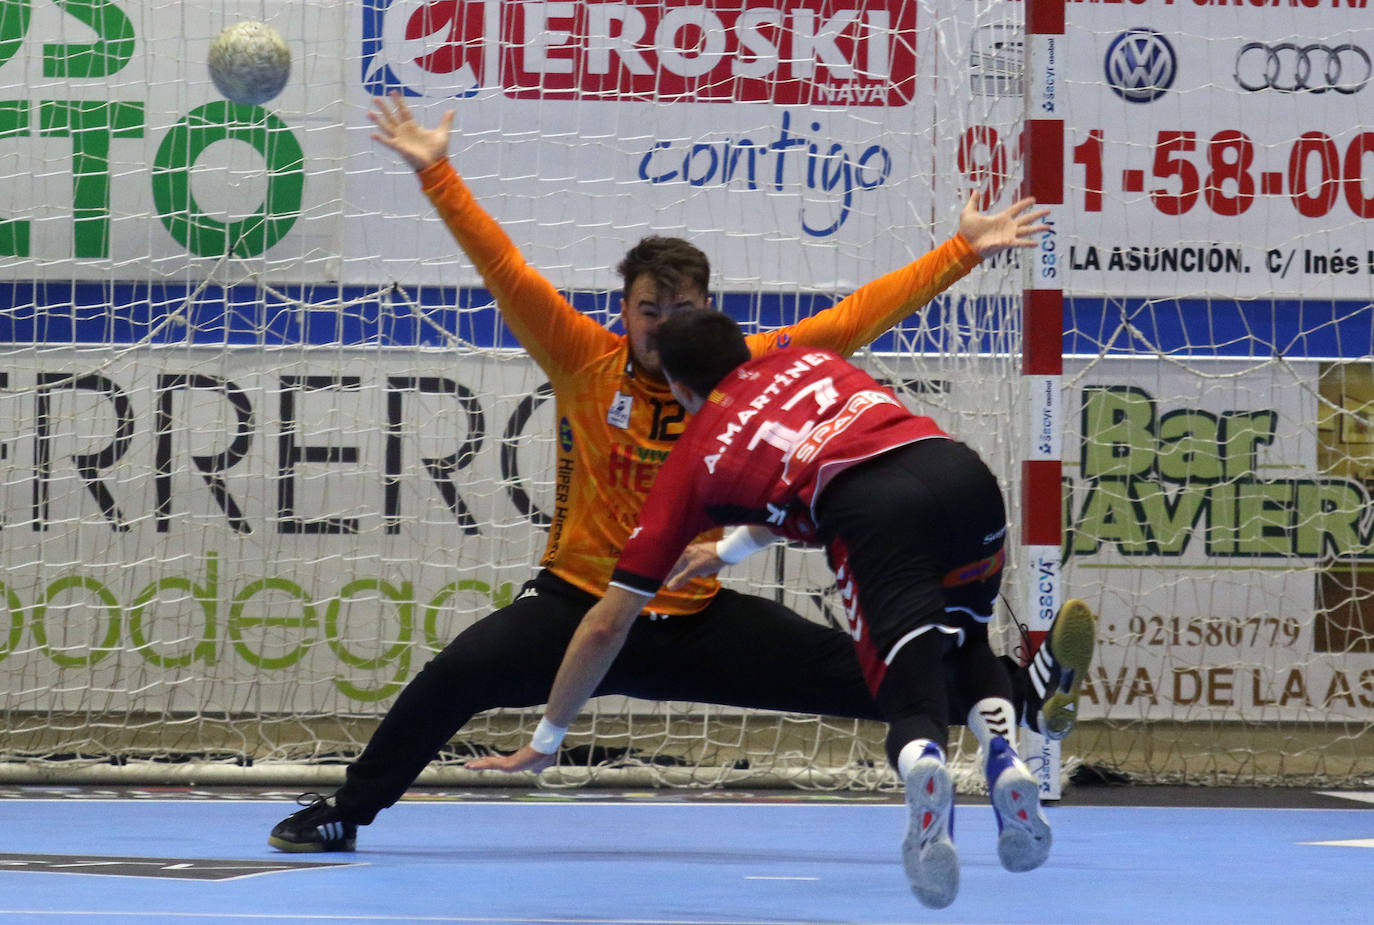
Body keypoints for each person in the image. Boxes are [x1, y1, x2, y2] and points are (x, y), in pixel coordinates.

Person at [268, 92, 1092, 857]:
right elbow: (505, 268)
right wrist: (435, 168)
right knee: (452, 678)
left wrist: (961, 250)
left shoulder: (746, 367)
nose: (663, 327)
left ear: (709, 313)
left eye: (682, 310)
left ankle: (1023, 696)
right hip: (581, 608)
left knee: (870, 674)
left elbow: (858, 315)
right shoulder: (582, 359)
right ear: (621, 310)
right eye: (648, 310)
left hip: (694, 617)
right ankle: (347, 809)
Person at [469, 309, 1071, 908]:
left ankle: (925, 770)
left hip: (877, 515)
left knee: (909, 699)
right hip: (959, 472)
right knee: (965, 642)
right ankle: (1005, 756)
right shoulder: (806, 359)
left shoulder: (689, 465)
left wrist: (547, 738)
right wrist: (728, 551)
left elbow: (605, 625)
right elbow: (815, 458)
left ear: (679, 388)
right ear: (745, 352)